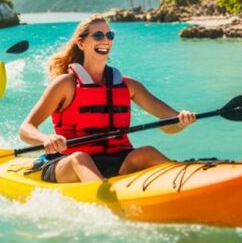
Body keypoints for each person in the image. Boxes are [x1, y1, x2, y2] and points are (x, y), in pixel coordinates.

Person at [18, 14, 196, 183]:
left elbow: (169, 124)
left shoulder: (129, 86)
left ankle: (188, 183)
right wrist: (46, 139)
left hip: (116, 161)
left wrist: (181, 120)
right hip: (66, 162)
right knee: (81, 158)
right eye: (98, 35)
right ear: (81, 43)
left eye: (110, 35)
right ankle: (107, 203)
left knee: (147, 152)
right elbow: (26, 129)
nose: (106, 40)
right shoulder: (66, 84)